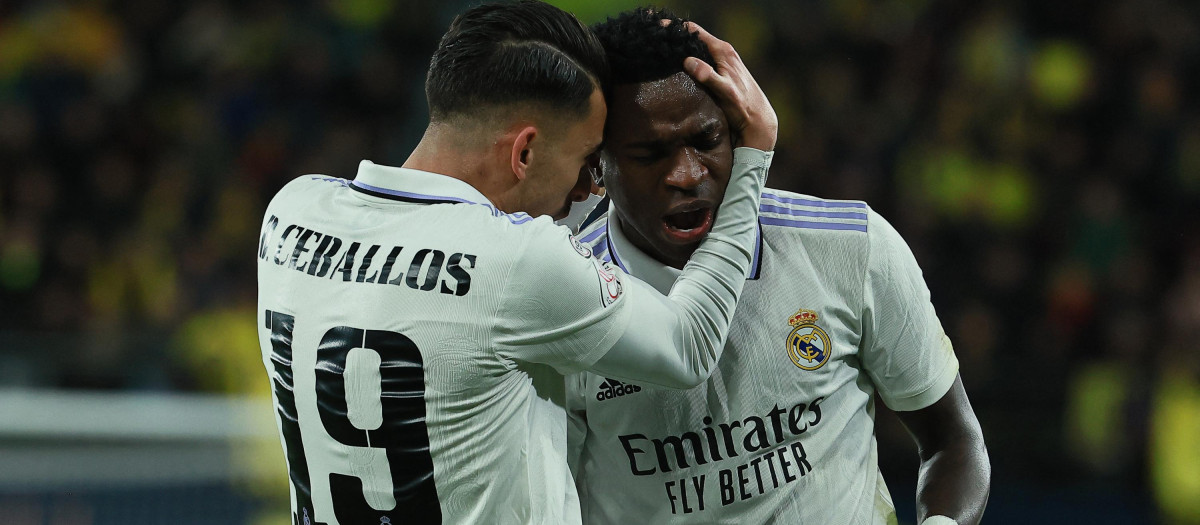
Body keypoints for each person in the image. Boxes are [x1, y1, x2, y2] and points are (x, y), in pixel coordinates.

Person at [255, 1, 778, 524]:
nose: (586, 189)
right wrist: (754, 154)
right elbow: (687, 346)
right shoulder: (514, 262)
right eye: (583, 159)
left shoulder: (292, 212)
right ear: (524, 152)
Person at [566, 9, 991, 525]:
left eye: (705, 141)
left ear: (738, 134)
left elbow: (951, 439)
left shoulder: (849, 247)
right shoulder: (562, 293)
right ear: (598, 165)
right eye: (649, 154)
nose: (686, 174)